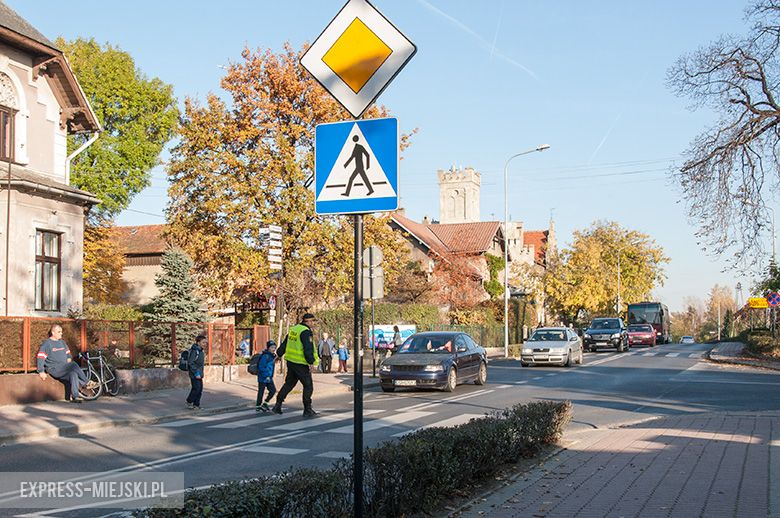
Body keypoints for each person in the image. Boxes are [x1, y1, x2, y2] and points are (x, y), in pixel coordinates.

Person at [272, 313, 319, 417]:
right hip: (301, 364)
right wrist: (310, 362)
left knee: (289, 384)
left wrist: (278, 354)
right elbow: (308, 348)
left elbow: (285, 343)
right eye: (312, 321)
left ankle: (277, 405)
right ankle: (307, 409)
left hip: (291, 362)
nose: (313, 324)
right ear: (308, 321)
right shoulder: (306, 332)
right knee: (308, 386)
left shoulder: (294, 329)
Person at [36, 325, 88, 403]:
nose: (61, 333)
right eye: (59, 332)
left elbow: (68, 353)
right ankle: (86, 382)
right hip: (54, 369)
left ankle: (75, 396)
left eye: (61, 332)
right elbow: (41, 357)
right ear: (53, 332)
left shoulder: (62, 342)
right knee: (74, 365)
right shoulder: (47, 344)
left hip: (64, 368)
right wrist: (41, 371)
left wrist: (69, 357)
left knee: (73, 374)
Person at [186, 334, 207, 410]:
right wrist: (196, 373)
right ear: (198, 342)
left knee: (199, 389)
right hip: (194, 374)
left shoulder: (200, 351)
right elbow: (190, 363)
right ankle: (189, 401)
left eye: (205, 343)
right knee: (196, 389)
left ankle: (196, 405)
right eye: (203, 342)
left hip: (199, 373)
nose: (205, 344)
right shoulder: (195, 351)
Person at [256, 340, 277, 412]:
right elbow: (261, 367)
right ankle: (258, 406)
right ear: (268, 348)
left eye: (274, 347)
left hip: (269, 377)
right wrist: (266, 376)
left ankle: (265, 403)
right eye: (272, 347)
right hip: (263, 377)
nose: (273, 349)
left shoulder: (272, 356)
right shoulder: (265, 356)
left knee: (273, 391)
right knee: (261, 391)